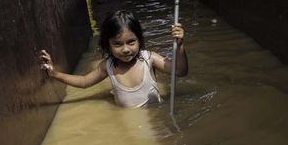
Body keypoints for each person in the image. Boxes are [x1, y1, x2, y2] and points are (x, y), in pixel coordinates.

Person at [40, 10, 188, 108]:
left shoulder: (150, 59)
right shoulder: (108, 66)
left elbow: (180, 71)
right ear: (108, 45)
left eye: (131, 42)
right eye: (117, 44)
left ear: (139, 40)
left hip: (156, 115)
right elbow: (84, 82)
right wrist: (55, 74)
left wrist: (180, 45)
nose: (125, 49)